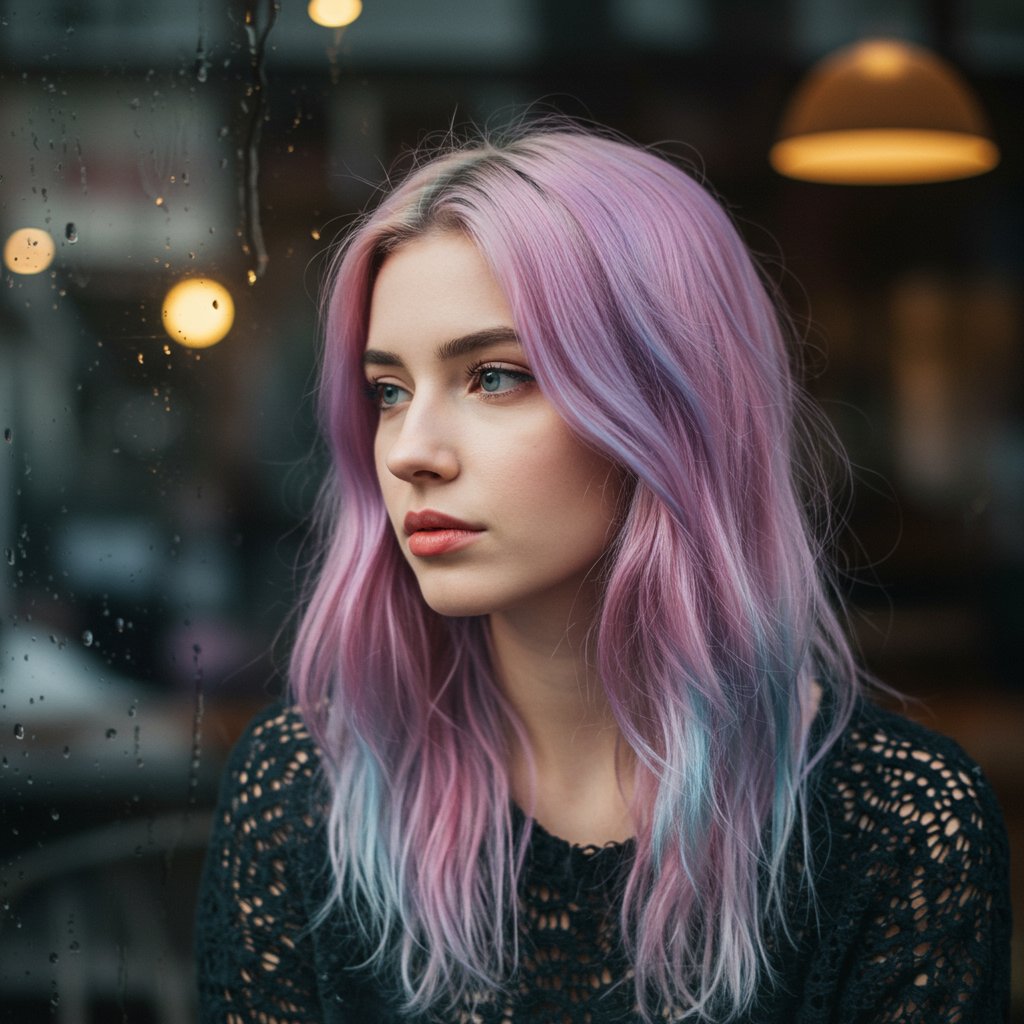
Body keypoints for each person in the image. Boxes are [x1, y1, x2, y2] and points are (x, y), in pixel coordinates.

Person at [195, 124, 1010, 1023]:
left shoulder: (894, 827)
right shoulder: (312, 789)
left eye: (495, 376)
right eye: (388, 391)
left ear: (666, 405)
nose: (412, 452)